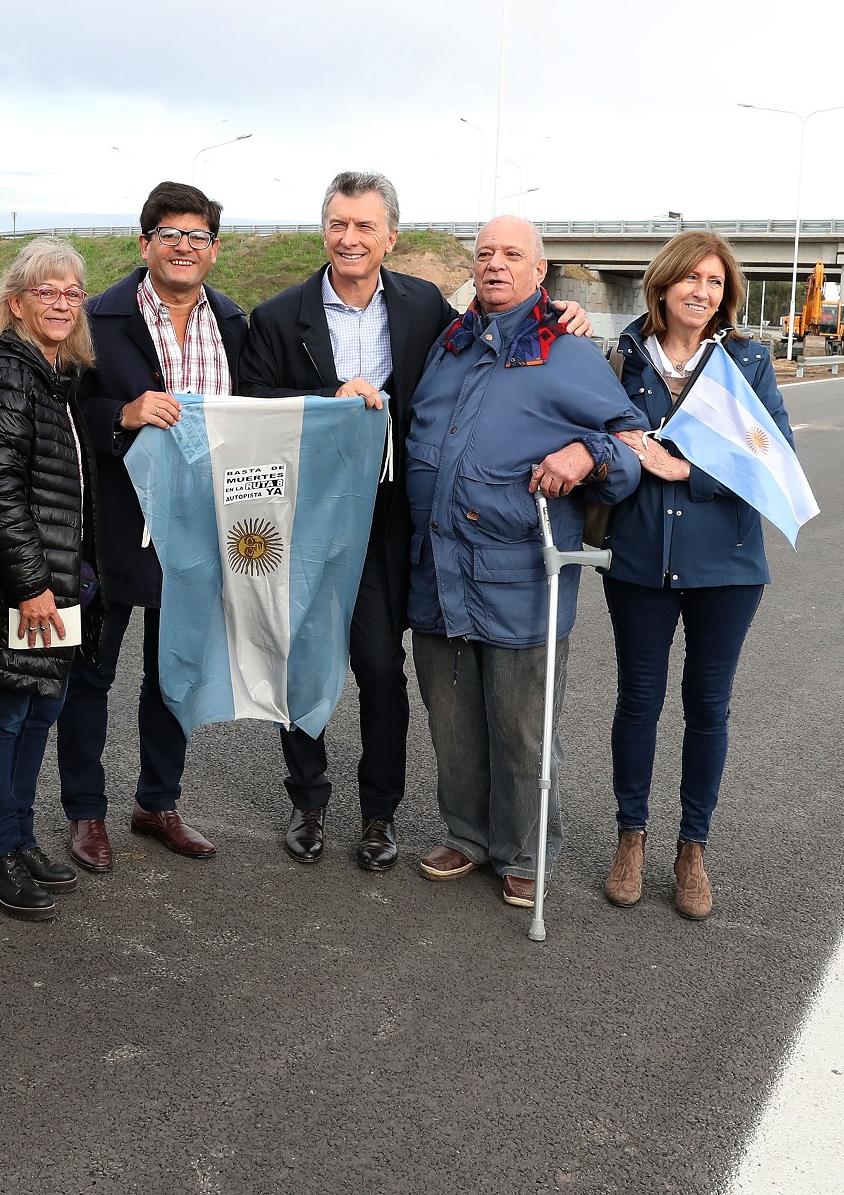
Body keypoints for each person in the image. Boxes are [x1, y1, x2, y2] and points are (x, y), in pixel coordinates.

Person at [241, 172, 593, 870]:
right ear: (324, 231)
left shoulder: (423, 305)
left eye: (366, 227)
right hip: (303, 520)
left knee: (379, 667)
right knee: (301, 665)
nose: (350, 238)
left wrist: (562, 312)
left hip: (387, 521)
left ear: (391, 237)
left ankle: (379, 815)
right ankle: (307, 800)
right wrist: (327, 396)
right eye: (339, 224)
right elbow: (253, 402)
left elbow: (492, 334)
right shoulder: (279, 317)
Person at [404, 216, 641, 909]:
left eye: (512, 255)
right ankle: (469, 836)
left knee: (522, 730)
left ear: (541, 272)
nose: (495, 264)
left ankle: (526, 852)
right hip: (438, 572)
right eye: (484, 254)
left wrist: (588, 454)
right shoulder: (447, 346)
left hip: (518, 577)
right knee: (452, 722)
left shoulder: (566, 352)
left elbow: (632, 446)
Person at [600, 230, 793, 919]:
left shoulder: (745, 362)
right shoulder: (623, 357)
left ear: (725, 294)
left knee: (708, 706)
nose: (702, 292)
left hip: (727, 566)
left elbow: (775, 453)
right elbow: (590, 430)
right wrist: (611, 451)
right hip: (639, 562)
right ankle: (631, 836)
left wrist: (689, 469)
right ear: (663, 284)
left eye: (714, 283)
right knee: (638, 701)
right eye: (691, 279)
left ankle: (692, 848)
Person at [56, 181, 248, 871]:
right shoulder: (97, 316)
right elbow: (59, 414)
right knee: (91, 674)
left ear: (213, 251)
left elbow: (257, 415)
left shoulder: (234, 322)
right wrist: (122, 415)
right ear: (145, 245)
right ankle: (85, 812)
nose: (183, 247)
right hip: (111, 526)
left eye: (197, 236)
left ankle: (158, 801)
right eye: (170, 234)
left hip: (197, 527)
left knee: (175, 673)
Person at [0, 238, 102, 921]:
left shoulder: (53, 373)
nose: (63, 303)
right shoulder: (9, 370)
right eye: (48, 291)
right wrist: (31, 584)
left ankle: (18, 838)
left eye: (73, 292)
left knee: (40, 706)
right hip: (20, 584)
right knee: (6, 712)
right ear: (15, 302)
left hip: (55, 581)